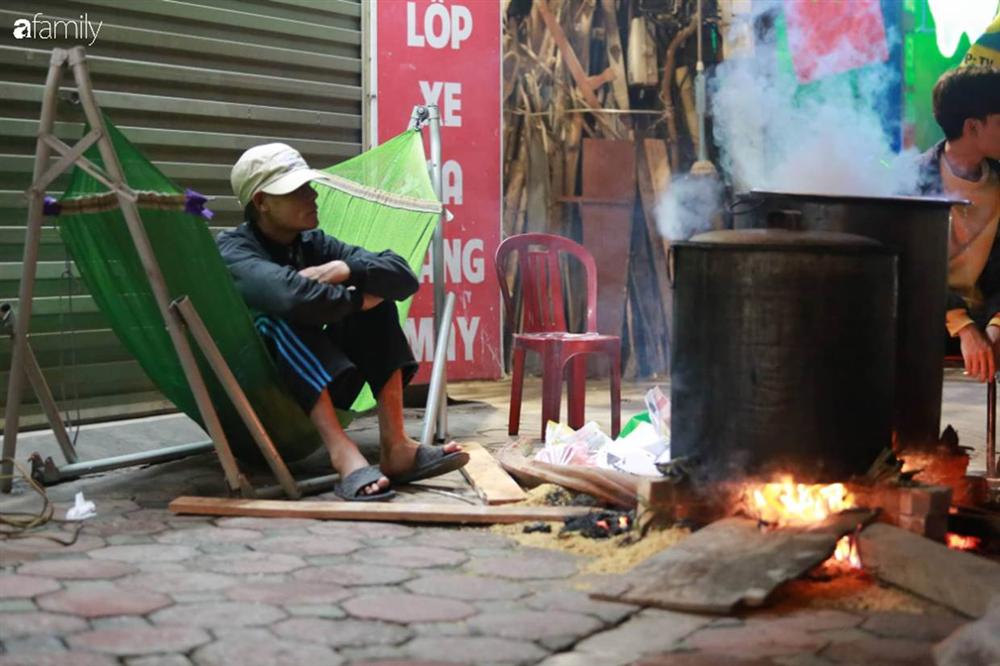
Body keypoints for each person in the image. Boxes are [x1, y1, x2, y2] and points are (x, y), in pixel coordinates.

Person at [217, 143, 468, 500]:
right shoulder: (234, 251)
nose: (313, 195)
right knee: (280, 319)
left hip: (321, 381)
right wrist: (356, 298)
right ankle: (342, 453)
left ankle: (396, 446)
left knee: (378, 306)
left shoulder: (313, 243)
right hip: (261, 394)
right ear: (261, 202)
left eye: (309, 185)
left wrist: (343, 268)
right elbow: (292, 298)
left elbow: (402, 276)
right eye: (297, 190)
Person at [917, 65, 1000, 383]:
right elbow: (913, 269)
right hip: (928, 316)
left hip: (987, 314)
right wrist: (963, 327)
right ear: (972, 127)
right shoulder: (912, 181)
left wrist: (997, 323)